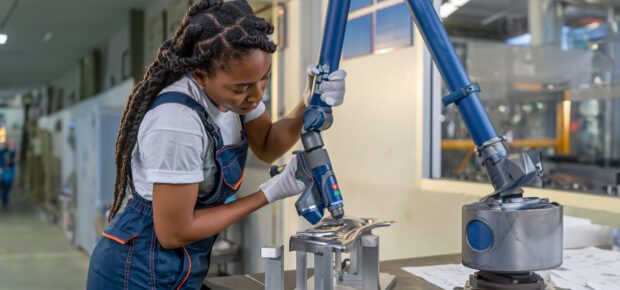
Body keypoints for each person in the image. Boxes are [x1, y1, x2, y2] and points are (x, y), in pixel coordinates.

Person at [86, 1, 347, 289]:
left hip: (181, 263)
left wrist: (307, 103)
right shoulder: (176, 121)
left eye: (265, 79)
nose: (257, 96)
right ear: (200, 76)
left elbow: (268, 144)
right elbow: (173, 232)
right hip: (135, 269)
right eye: (243, 88)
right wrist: (269, 193)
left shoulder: (236, 90)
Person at [0, 139, 16, 210]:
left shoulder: (11, 152)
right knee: (3, 188)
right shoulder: (1, 152)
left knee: (6, 189)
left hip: (9, 173)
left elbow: (14, 158)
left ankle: (5, 201)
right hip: (3, 172)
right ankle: (5, 201)